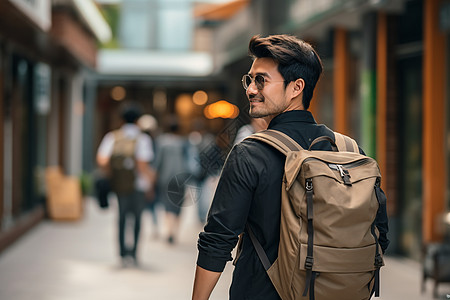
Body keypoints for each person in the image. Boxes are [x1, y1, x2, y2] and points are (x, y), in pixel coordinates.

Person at [192, 34, 389, 300]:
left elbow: (217, 239)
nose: (250, 89)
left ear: (297, 87)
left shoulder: (250, 153)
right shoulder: (349, 151)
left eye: (261, 80)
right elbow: (380, 234)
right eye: (249, 79)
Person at [96, 102, 155, 266]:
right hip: (138, 186)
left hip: (120, 185)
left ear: (122, 119)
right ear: (137, 120)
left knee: (121, 218)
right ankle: (134, 253)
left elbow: (102, 160)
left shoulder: (112, 137)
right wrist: (150, 183)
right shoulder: (143, 139)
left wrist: (113, 174)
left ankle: (122, 254)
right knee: (136, 220)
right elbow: (143, 165)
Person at [153, 115, 190, 245]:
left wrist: (154, 176)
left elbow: (157, 161)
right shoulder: (184, 142)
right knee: (178, 204)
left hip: (165, 177)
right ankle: (175, 232)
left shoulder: (161, 142)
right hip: (180, 177)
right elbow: (189, 161)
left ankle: (168, 231)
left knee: (167, 204)